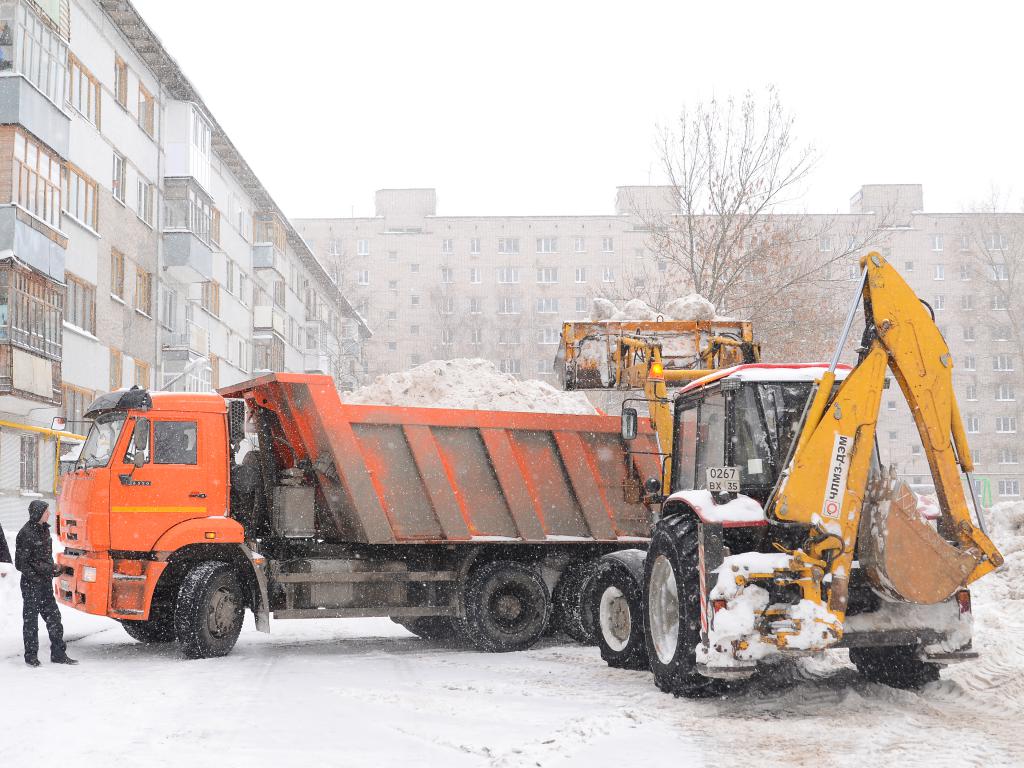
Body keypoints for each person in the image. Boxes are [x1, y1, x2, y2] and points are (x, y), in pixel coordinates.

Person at [15, 500, 77, 667]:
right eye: (46, 511)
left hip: (44, 584)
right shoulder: (25, 533)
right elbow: (21, 563)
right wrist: (39, 575)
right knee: (31, 621)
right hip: (31, 585)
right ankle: (31, 657)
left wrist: (53, 569)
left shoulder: (44, 531)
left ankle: (58, 653)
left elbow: (41, 560)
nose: (49, 513)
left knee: (54, 618)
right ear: (38, 513)